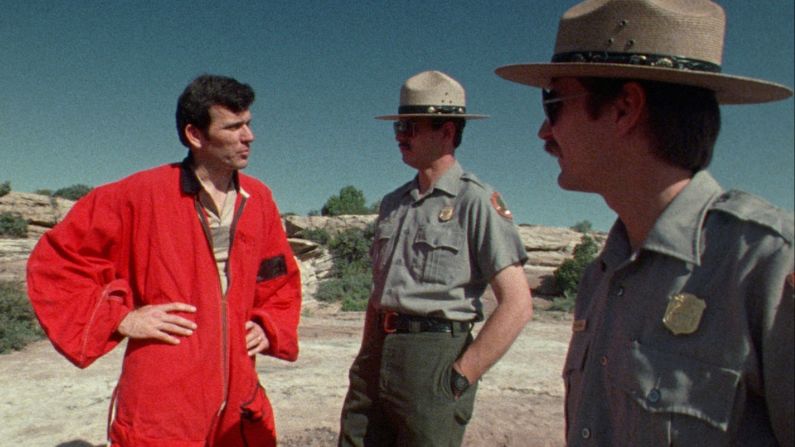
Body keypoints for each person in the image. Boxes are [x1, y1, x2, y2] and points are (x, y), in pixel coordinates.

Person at [495, 0, 794, 445]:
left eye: (553, 102)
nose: (543, 131)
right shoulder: (603, 275)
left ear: (624, 108)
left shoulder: (764, 263)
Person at [26, 74, 302, 446]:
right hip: (165, 385)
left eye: (248, 124)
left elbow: (277, 277)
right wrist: (121, 318)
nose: (248, 136)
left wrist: (269, 327)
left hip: (238, 381)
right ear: (195, 135)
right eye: (234, 127)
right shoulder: (138, 194)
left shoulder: (259, 198)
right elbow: (55, 263)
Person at [338, 70, 533, 446]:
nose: (399, 136)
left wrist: (460, 375)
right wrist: (366, 354)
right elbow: (378, 293)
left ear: (446, 132)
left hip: (434, 358)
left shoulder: (475, 201)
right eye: (398, 127)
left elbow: (518, 304)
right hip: (378, 352)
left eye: (410, 127)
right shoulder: (394, 203)